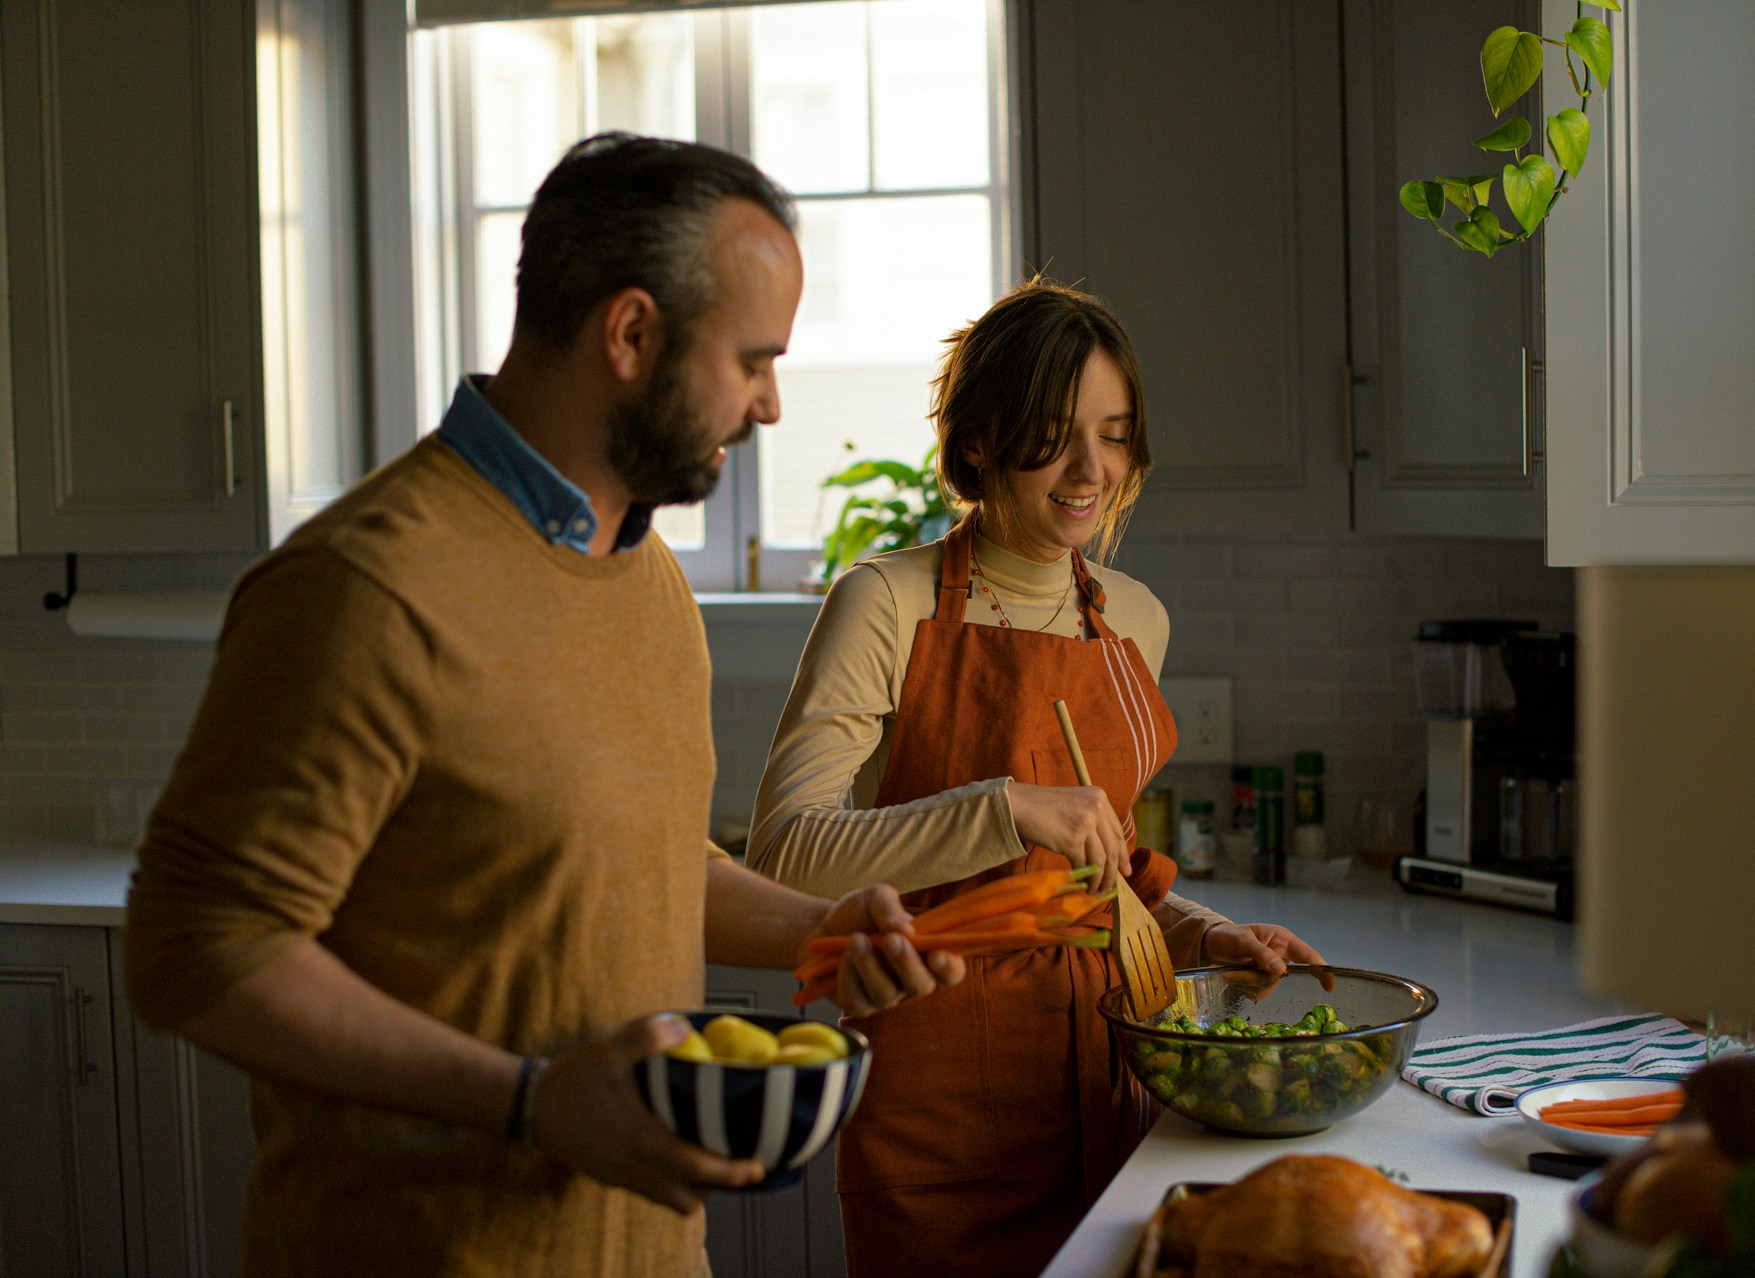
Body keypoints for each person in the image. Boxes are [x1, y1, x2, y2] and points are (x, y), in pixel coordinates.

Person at [121, 134, 963, 1277]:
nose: (768, 404)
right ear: (629, 334)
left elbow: (645, 862)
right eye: (754, 360)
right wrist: (529, 1102)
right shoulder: (366, 585)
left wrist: (819, 934)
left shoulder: (648, 575)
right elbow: (195, 948)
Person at [747, 279, 1329, 1278]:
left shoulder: (1135, 621)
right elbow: (786, 851)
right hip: (939, 1121)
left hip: (1111, 1095)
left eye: (1113, 433)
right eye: (1054, 433)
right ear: (976, 439)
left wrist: (1202, 932)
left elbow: (1105, 874)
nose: (1088, 469)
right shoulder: (885, 602)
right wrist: (1002, 808)